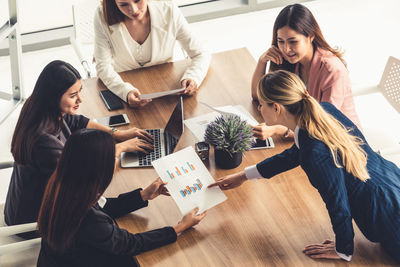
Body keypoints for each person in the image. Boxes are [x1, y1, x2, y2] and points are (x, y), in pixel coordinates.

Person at [210, 70, 400, 263]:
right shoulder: (324, 111)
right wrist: (243, 176)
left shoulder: (313, 153)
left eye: (261, 104)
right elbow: (295, 154)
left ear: (276, 107)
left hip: (385, 212)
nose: (259, 108)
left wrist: (342, 249)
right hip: (392, 180)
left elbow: (337, 203)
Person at [5, 60, 153, 237]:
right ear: (54, 96)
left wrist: (116, 134)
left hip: (22, 205)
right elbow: (83, 177)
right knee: (112, 230)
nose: (80, 99)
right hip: (34, 222)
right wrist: (118, 149)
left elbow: (77, 121)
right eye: (73, 95)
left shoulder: (39, 107)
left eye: (80, 91)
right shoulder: (43, 142)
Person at [37, 129, 206, 266]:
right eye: (114, 158)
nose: (116, 161)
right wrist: (179, 228)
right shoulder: (89, 219)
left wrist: (143, 195)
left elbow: (104, 207)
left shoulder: (65, 186)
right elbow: (130, 244)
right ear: (98, 169)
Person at [251, 3, 361, 140]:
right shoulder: (292, 63)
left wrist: (280, 130)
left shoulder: (332, 70)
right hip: (308, 137)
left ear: (311, 36)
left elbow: (323, 125)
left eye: (292, 42)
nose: (286, 49)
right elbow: (258, 96)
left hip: (343, 142)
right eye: (281, 41)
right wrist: (262, 61)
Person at [94, 0, 211, 107]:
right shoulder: (102, 15)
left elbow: (201, 53)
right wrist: (125, 91)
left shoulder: (169, 11)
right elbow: (103, 66)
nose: (133, 10)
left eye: (137, 0)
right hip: (123, 85)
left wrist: (193, 76)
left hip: (166, 90)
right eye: (123, 4)